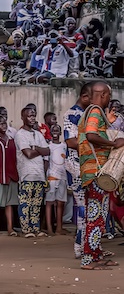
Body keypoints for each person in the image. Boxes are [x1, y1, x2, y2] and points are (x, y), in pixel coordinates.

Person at [78, 81, 124, 270]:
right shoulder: (95, 111)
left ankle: (95, 254)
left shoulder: (92, 111)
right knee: (96, 216)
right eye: (108, 95)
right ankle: (89, 259)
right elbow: (90, 135)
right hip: (95, 172)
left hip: (92, 172)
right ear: (103, 95)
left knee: (98, 215)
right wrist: (114, 145)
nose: (109, 99)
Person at [63, 82, 92, 259]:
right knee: (83, 207)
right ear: (84, 97)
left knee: (87, 208)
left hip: (83, 164)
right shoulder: (73, 114)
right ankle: (80, 247)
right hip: (76, 165)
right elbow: (70, 141)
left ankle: (85, 246)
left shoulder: (86, 114)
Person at [15, 107, 50, 238]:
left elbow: (48, 151)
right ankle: (26, 229)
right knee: (26, 203)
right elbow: (28, 154)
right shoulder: (20, 134)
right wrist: (39, 150)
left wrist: (35, 148)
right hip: (27, 174)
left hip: (39, 174)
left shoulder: (39, 134)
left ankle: (35, 228)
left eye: (34, 115)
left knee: (36, 204)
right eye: (29, 116)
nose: (32, 118)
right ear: (23, 117)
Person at [45, 124, 67, 235]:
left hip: (62, 177)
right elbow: (46, 162)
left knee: (60, 203)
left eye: (57, 130)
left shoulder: (64, 146)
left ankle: (59, 228)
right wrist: (45, 178)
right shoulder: (48, 146)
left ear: (60, 133)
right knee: (49, 202)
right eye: (53, 130)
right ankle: (49, 228)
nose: (55, 132)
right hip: (51, 177)